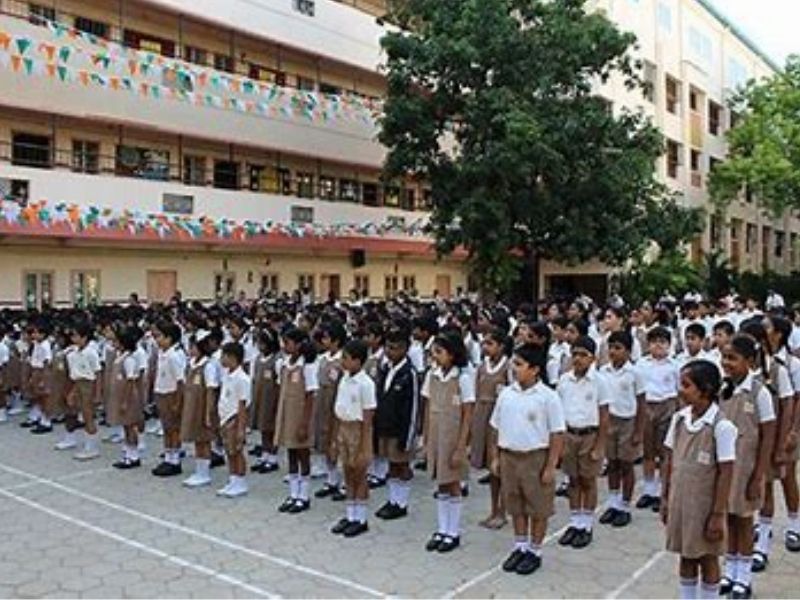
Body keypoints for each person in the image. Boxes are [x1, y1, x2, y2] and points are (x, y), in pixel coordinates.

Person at [661, 360, 736, 599]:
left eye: (686, 385)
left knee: (707, 557)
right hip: (680, 502)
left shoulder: (721, 426)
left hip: (705, 506)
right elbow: (669, 460)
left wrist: (717, 514)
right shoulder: (680, 419)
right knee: (686, 555)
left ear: (704, 389)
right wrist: (665, 497)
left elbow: (726, 473)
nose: (680, 389)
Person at [492, 343, 566, 576]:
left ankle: (535, 550)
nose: (514, 369)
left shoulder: (548, 397)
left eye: (519, 365)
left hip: (535, 457)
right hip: (509, 456)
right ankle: (520, 546)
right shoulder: (506, 393)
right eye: (514, 363)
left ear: (534, 369)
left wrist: (551, 465)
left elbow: (557, 433)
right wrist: (495, 456)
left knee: (538, 507)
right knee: (516, 505)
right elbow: (495, 426)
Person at [718, 335, 776, 599]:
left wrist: (758, 476)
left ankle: (744, 576)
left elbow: (767, 436)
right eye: (724, 357)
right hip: (726, 468)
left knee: (743, 521)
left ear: (750, 361)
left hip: (747, 467)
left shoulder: (759, 392)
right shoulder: (723, 389)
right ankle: (729, 570)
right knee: (728, 518)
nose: (726, 363)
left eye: (733, 358)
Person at [421, 332, 475, 553]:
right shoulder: (432, 375)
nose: (435, 356)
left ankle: (453, 532)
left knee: (453, 483)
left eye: (439, 352)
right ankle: (442, 528)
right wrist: (425, 438)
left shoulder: (462, 378)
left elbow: (468, 412)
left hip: (452, 437)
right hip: (436, 435)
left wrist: (461, 446)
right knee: (440, 483)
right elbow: (427, 406)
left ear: (452, 355)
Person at [557, 336, 610, 549]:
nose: (577, 359)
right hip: (570, 434)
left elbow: (604, 415)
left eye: (583, 355)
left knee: (588, 480)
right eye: (574, 354)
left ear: (593, 358)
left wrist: (600, 445)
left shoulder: (600, 382)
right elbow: (559, 411)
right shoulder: (564, 380)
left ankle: (586, 525)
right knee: (573, 480)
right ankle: (574, 521)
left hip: (590, 435)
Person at [330, 339, 376, 537]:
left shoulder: (366, 384)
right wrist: (334, 438)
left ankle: (361, 518)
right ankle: (350, 514)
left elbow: (368, 418)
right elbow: (339, 409)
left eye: (346, 358)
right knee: (347, 472)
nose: (342, 361)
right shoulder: (344, 378)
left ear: (358, 361)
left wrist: (365, 447)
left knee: (359, 474)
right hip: (344, 427)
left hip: (358, 430)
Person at [599, 331, 645, 528]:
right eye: (611, 347)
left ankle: (625, 506)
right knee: (613, 464)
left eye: (618, 348)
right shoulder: (603, 371)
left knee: (627, 465)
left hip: (628, 421)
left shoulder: (635, 373)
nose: (613, 352)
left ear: (628, 351)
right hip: (610, 421)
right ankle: (613, 502)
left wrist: (638, 432)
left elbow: (642, 403)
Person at [374, 326, 419, 521]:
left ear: (405, 349)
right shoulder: (385, 369)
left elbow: (413, 408)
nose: (390, 352)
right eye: (388, 347)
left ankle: (402, 503)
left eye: (395, 348)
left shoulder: (409, 374)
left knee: (402, 466)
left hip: (401, 429)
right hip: (385, 425)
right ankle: (393, 500)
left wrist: (407, 437)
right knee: (391, 466)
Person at [275, 327, 318, 514]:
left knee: (303, 454)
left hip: (300, 416)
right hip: (287, 415)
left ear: (299, 344)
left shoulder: (307, 366)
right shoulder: (284, 363)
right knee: (291, 453)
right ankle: (293, 493)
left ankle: (304, 496)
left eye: (288, 342)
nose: (285, 346)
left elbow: (310, 396)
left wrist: (304, 423)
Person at [636, 327, 679, 512]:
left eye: (662, 342)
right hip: (647, 405)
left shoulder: (674, 366)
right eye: (654, 342)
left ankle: (663, 492)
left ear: (669, 345)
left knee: (664, 452)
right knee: (648, 451)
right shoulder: (641, 364)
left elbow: (679, 390)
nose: (658, 346)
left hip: (666, 406)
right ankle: (648, 490)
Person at [472, 327, 511, 529]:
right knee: (490, 467)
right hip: (482, 415)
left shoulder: (508, 367)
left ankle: (503, 511)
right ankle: (493, 509)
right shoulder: (481, 367)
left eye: (490, 343)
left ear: (501, 346)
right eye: (484, 343)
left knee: (500, 467)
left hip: (500, 417)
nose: (485, 347)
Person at [180, 332, 220, 487]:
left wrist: (209, 412)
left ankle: (204, 472)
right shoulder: (191, 363)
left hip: (202, 406)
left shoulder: (208, 366)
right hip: (191, 405)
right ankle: (199, 469)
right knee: (196, 439)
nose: (190, 350)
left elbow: (211, 390)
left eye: (193, 347)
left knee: (203, 439)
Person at [59, 322, 102, 459]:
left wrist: (97, 393)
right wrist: (73, 392)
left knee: (89, 416)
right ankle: (84, 443)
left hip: (89, 385)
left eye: (76, 336)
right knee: (82, 415)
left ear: (85, 337)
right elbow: (75, 375)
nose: (73, 339)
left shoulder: (91, 353)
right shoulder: (73, 353)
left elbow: (98, 374)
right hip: (79, 384)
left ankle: (92, 447)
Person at [314, 321, 347, 500]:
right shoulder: (323, 358)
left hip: (336, 402)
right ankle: (331, 480)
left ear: (337, 340)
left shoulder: (342, 360)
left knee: (338, 443)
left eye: (327, 338)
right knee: (326, 442)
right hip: (323, 403)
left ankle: (343, 483)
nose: (324, 341)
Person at [151, 320, 187, 477]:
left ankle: (175, 461)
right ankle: (168, 457)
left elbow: (181, 381)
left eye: (160, 336)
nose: (157, 340)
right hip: (162, 393)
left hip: (171, 395)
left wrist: (177, 402)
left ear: (170, 338)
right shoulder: (163, 354)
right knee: (166, 428)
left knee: (173, 429)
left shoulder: (174, 356)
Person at [216, 342, 252, 498]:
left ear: (232, 357)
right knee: (228, 451)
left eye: (224, 356)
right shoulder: (227, 375)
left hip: (234, 418)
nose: (221, 359)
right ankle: (232, 479)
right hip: (224, 418)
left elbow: (243, 405)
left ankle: (241, 481)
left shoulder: (242, 379)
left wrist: (241, 429)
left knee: (237, 451)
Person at [111, 326, 145, 469]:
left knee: (131, 426)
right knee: (125, 426)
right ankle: (128, 453)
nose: (114, 343)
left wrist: (125, 401)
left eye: (116, 341)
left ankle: (134, 456)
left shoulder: (129, 359)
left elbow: (131, 381)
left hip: (129, 396)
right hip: (121, 395)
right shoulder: (121, 357)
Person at [250, 328, 281, 474]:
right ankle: (265, 455)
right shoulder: (257, 359)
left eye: (262, 343)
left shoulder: (277, 360)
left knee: (271, 429)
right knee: (263, 428)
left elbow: (280, 383)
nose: (260, 346)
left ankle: (273, 458)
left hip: (271, 399)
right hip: (260, 397)